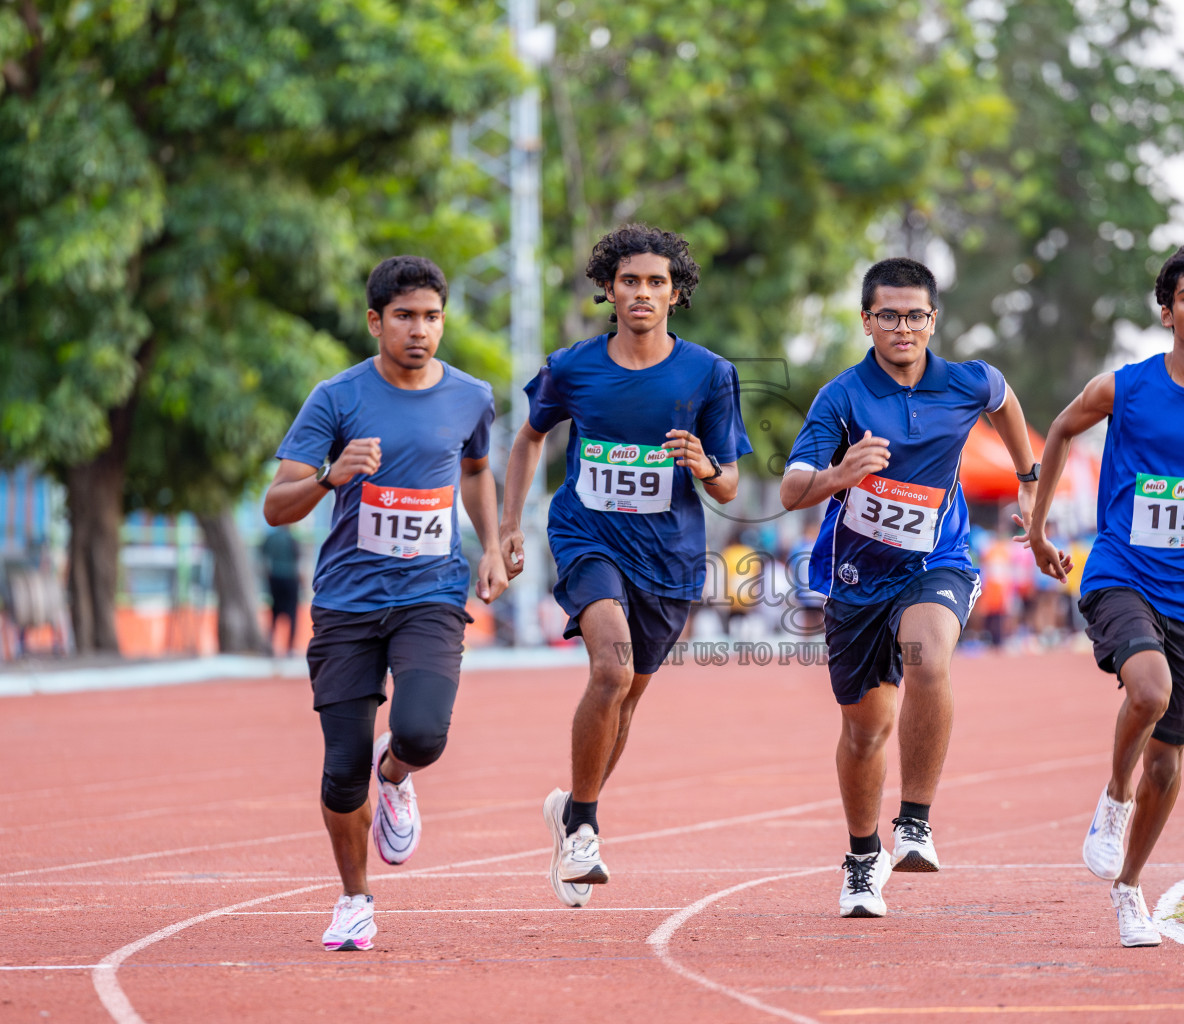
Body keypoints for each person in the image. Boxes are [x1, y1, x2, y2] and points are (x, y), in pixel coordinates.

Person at [1027, 241, 1184, 947]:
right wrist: (1041, 527)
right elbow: (1063, 430)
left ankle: (1131, 886)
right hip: (1121, 573)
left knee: (1167, 757)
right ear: (1166, 311)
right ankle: (1112, 798)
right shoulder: (1126, 387)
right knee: (1149, 689)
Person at [499, 224, 750, 908]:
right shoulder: (572, 366)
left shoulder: (708, 374)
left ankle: (571, 809)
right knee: (610, 670)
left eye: (656, 283)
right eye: (630, 281)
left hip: (668, 555)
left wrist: (703, 465)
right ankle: (584, 827)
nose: (642, 293)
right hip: (588, 537)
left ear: (677, 294)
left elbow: (728, 486)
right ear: (609, 289)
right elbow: (528, 441)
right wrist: (506, 525)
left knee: (628, 697)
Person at [779, 257, 1039, 918]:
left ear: (932, 320)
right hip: (855, 579)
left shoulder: (965, 383)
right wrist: (841, 474)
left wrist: (1028, 475)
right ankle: (864, 857)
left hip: (937, 561)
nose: (903, 327)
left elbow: (1004, 400)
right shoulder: (841, 396)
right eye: (888, 315)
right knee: (866, 732)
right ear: (867, 321)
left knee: (929, 655)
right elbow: (790, 489)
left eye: (915, 315)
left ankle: (915, 822)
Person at [262, 256, 507, 952]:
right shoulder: (336, 398)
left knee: (424, 733)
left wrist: (491, 544)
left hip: (430, 593)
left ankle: (394, 772)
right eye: (404, 316)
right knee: (341, 767)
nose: (419, 330)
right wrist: (329, 477)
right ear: (376, 322)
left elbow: (477, 470)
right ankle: (354, 900)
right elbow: (276, 504)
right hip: (345, 602)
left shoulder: (470, 397)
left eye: (431, 316)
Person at [261, 525, 302, 657]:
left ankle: (270, 644)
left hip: (274, 577)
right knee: (292, 614)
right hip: (290, 579)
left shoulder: (271, 538)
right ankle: (290, 647)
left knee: (274, 612)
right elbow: (298, 559)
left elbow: (262, 555)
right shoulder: (292, 539)